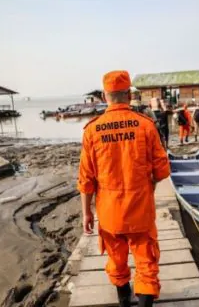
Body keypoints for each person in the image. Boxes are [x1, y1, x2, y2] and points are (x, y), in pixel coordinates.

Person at [78, 71, 170, 307]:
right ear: (129, 94)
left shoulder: (92, 130)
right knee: (146, 262)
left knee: (116, 260)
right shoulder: (146, 126)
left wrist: (87, 212)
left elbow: (86, 178)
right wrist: (148, 186)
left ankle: (123, 300)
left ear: (104, 96)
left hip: (110, 213)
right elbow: (161, 170)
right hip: (140, 210)